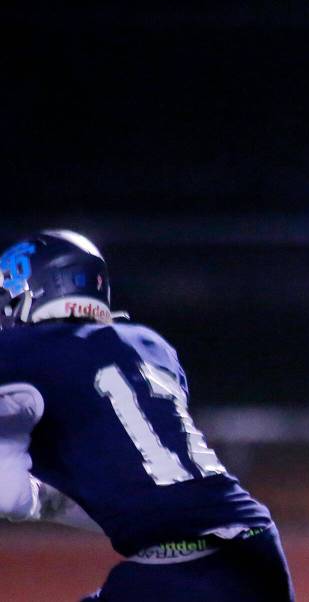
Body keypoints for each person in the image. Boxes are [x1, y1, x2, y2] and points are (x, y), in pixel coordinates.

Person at [0, 230, 293, 601]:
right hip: (255, 542)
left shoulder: (31, 351)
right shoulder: (150, 346)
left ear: (33, 294)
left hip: (183, 569)